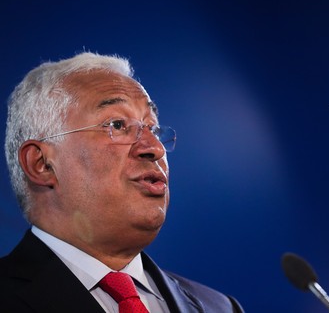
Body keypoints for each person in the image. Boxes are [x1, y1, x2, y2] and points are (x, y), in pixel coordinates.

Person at [0, 52, 244, 312]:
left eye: (152, 128)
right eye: (117, 124)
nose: (155, 148)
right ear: (42, 164)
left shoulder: (220, 307)